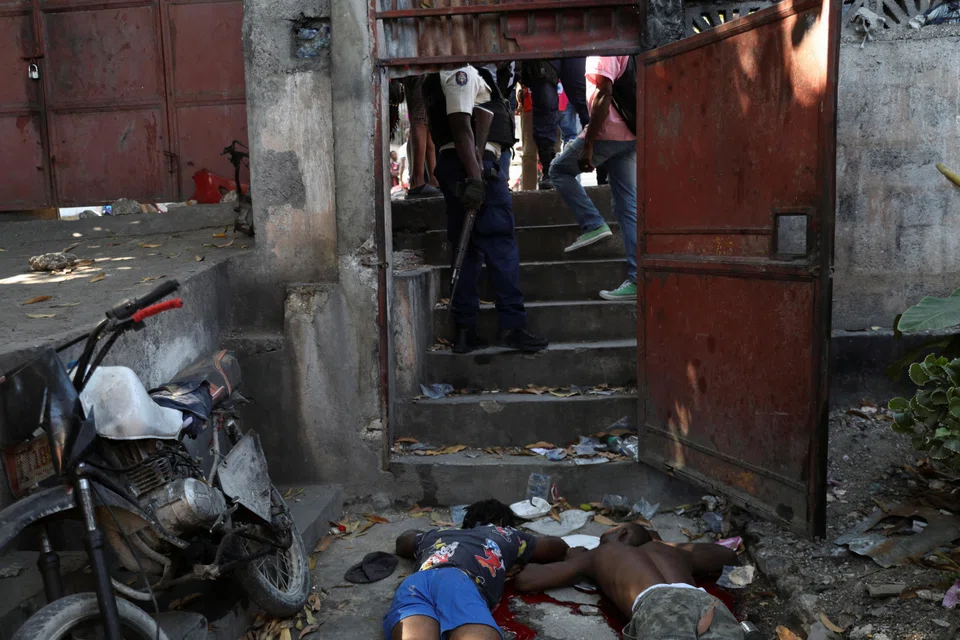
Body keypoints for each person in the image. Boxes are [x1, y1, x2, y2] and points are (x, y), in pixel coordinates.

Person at [422, 65, 549, 354]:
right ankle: (511, 326)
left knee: (465, 249)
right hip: (474, 169)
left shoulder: (453, 71)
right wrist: (476, 179)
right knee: (499, 244)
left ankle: (465, 331)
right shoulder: (460, 70)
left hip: (463, 166)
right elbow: (460, 126)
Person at [515, 523, 745, 639]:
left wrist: (575, 560)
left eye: (603, 536)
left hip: (660, 607)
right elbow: (728, 555)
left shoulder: (605, 553)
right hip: (707, 603)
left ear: (622, 534)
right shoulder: (671, 552)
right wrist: (670, 546)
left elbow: (526, 580)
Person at [383, 500, 569, 639]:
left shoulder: (438, 534)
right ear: (502, 522)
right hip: (458, 581)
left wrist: (422, 535)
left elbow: (403, 542)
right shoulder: (505, 533)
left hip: (416, 583)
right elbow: (555, 547)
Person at [549, 55, 638, 302]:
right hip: (631, 133)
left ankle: (593, 223)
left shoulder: (603, 49)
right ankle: (637, 279)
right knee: (627, 204)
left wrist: (588, 145)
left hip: (608, 133)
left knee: (558, 171)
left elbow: (603, 92)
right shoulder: (622, 45)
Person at [403, 74, 442, 199]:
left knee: (426, 122)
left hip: (413, 71)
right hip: (424, 70)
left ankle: (432, 179)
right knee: (421, 119)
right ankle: (417, 181)